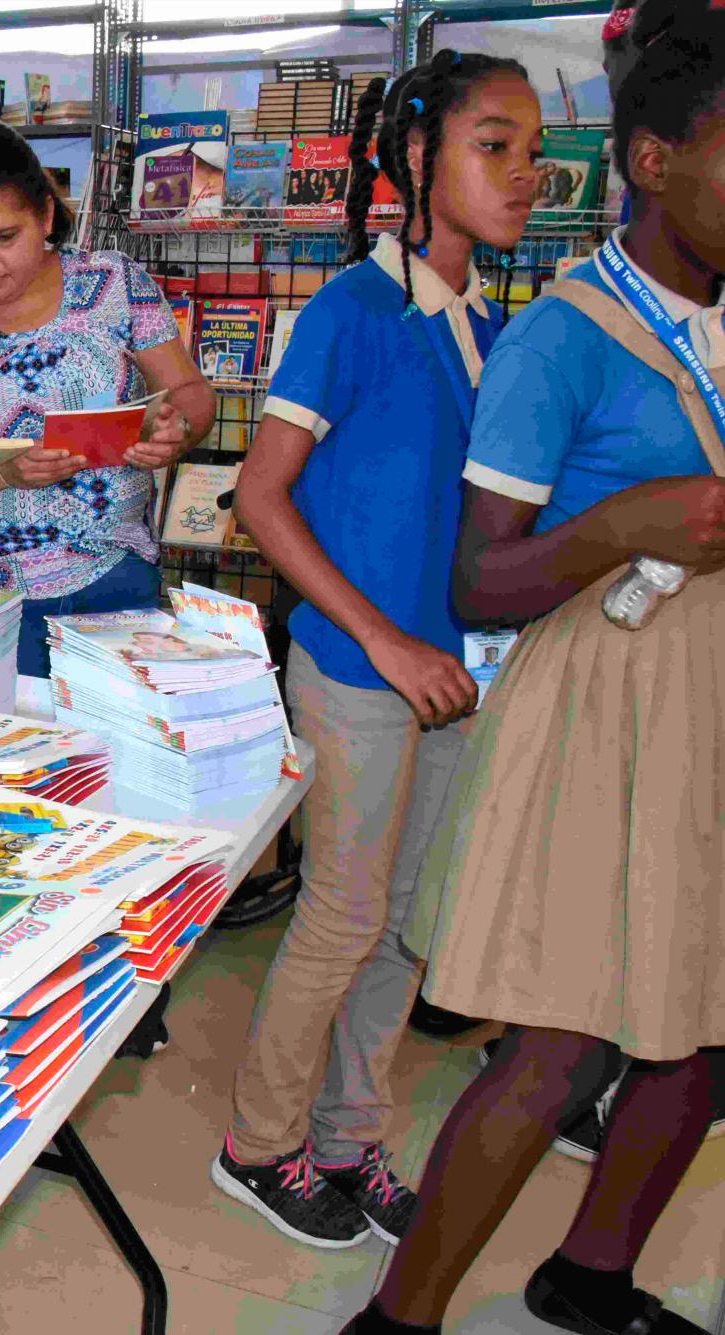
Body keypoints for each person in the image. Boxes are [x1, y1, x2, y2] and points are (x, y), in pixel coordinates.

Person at [349, 21, 725, 1334]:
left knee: (706, 1025)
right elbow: (477, 581)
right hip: (607, 703)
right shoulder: (560, 341)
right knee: (564, 1040)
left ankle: (593, 1275)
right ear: (655, 161)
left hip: (711, 706)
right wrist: (622, 528)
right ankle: (399, 1316)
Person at [208, 56, 534, 1254]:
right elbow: (261, 494)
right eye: (490, 145)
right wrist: (382, 639)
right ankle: (254, 1145)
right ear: (412, 160)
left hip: (453, 676)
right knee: (341, 917)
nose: (521, 173)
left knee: (409, 923)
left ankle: (348, 1142)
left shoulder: (490, 328)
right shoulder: (351, 308)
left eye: (528, 149)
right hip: (356, 672)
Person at [0, 121, 213, 678]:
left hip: (114, 575)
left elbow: (191, 393)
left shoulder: (114, 286)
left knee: (116, 755)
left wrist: (177, 429)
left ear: (47, 218)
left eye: (4, 237)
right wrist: (2, 475)